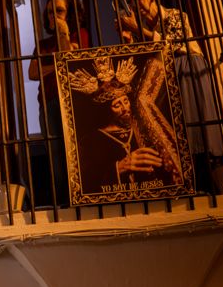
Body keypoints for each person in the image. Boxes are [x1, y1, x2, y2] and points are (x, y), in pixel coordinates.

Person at [115, 0, 223, 192]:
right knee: (179, 133)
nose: (135, 3)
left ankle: (211, 181)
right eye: (130, 0)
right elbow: (142, 66)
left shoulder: (174, 16)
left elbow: (171, 45)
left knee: (198, 128)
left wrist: (138, 30)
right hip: (167, 83)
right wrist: (128, 41)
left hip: (188, 70)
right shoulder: (141, 31)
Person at [70, 54, 183, 193]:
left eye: (126, 101)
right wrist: (119, 167)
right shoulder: (91, 141)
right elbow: (87, 181)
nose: (125, 108)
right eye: (117, 105)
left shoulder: (140, 127)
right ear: (107, 111)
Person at [26, 0, 90, 208]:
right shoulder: (42, 45)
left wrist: (64, 36)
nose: (54, 16)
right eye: (50, 12)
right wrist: (59, 60)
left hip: (74, 101)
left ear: (71, 13)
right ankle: (64, 206)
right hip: (49, 103)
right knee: (56, 157)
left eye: (59, 11)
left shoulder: (81, 35)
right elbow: (32, 73)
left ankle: (82, 202)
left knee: (78, 154)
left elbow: (72, 64)